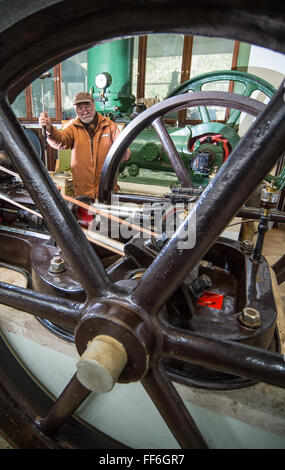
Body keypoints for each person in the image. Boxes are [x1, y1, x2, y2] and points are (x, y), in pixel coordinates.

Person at [39, 91, 130, 200]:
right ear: (75, 110)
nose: (85, 111)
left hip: (107, 191)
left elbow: (125, 154)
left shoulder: (109, 126)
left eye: (87, 106)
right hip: (83, 193)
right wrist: (49, 130)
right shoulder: (72, 127)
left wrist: (124, 153)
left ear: (94, 105)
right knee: (84, 217)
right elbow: (60, 141)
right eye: (80, 108)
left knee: (107, 217)